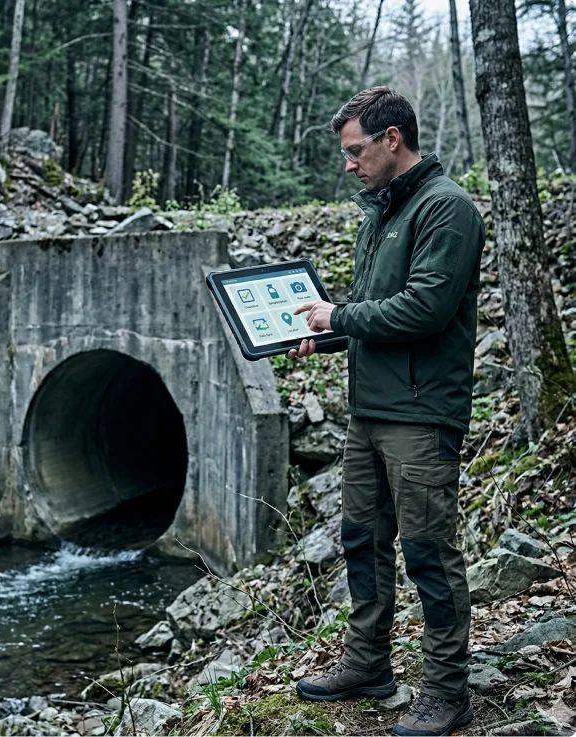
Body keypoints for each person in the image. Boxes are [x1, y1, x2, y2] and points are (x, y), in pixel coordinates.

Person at [290, 87, 485, 737]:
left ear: (392, 138)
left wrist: (340, 315)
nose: (348, 164)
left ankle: (447, 688)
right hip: (368, 409)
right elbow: (380, 307)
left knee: (428, 552)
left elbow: (426, 308)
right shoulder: (381, 211)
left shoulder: (447, 209)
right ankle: (369, 662)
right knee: (362, 541)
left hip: (422, 413)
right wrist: (332, 331)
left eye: (355, 151)